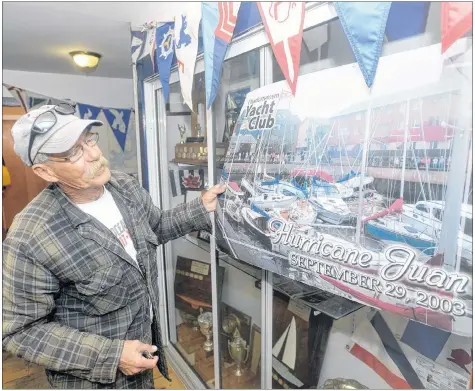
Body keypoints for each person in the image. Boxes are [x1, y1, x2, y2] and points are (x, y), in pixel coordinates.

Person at [2, 104, 225, 389]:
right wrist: (112, 355)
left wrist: (200, 207)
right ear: (45, 171)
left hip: (143, 363)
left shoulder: (124, 185)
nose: (95, 154)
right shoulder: (31, 236)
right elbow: (20, 332)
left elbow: (155, 227)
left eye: (90, 140)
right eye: (73, 153)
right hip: (93, 380)